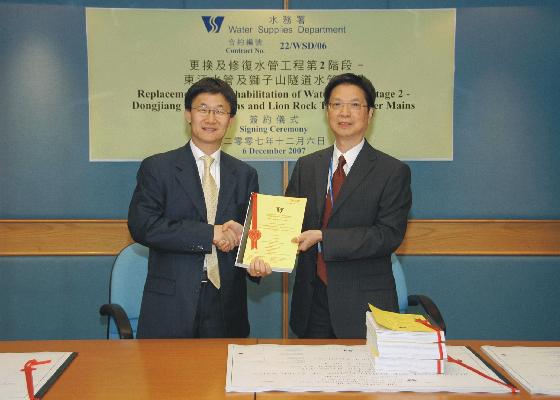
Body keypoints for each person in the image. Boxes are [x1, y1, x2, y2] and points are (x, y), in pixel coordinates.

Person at [254, 73, 412, 338]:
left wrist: (324, 237)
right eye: (336, 104)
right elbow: (288, 224)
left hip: (364, 305)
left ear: (370, 113)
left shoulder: (392, 171)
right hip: (312, 301)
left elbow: (387, 236)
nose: (344, 113)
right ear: (327, 111)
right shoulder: (308, 166)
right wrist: (258, 249)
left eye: (354, 105)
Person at [128, 77, 259, 338]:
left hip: (226, 306)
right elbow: (144, 226)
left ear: (230, 120)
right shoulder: (158, 167)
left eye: (220, 111)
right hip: (171, 304)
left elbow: (250, 236)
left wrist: (256, 261)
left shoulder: (245, 174)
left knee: (224, 366)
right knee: (167, 367)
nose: (211, 118)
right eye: (203, 109)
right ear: (188, 114)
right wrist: (210, 233)